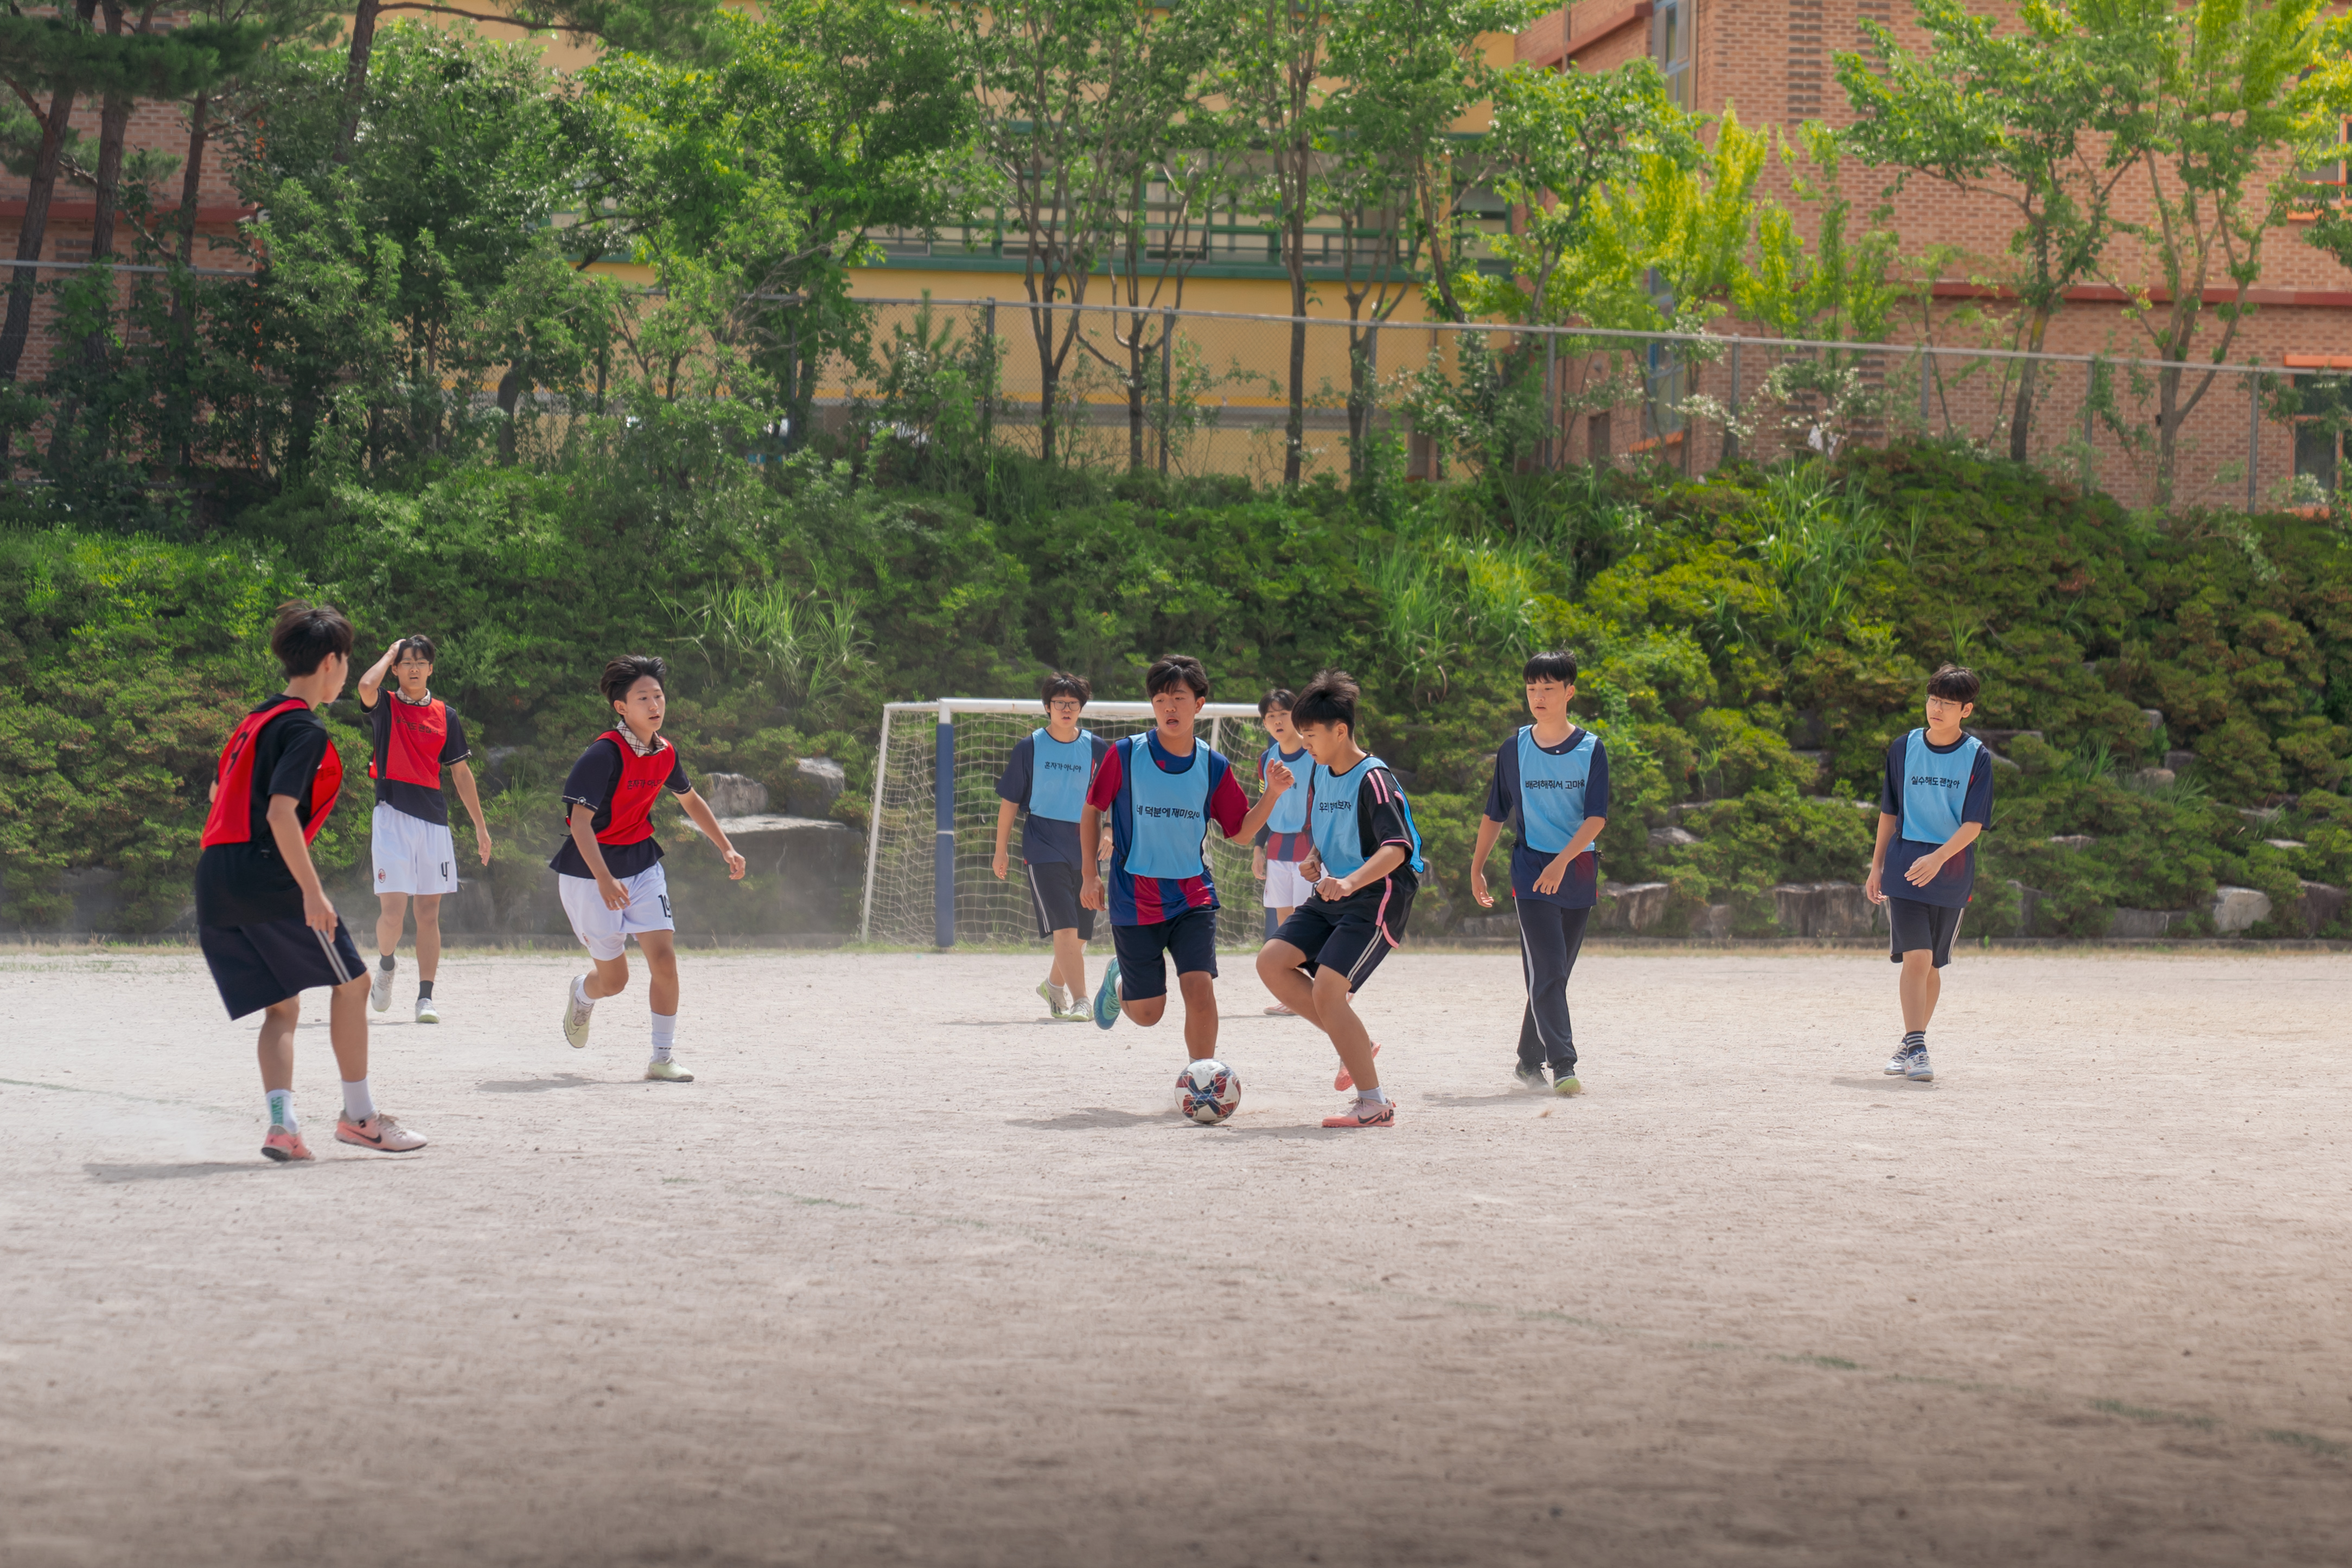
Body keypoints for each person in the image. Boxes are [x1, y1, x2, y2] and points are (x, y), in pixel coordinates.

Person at [195, 601, 426, 1162]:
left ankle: (283, 1126)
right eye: (347, 662)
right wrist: (312, 891)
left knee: (283, 1009)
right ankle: (360, 1116)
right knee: (353, 984)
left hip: (215, 876)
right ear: (331, 662)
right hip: (265, 876)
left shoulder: (255, 721)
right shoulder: (303, 727)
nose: (346, 674)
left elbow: (216, 795)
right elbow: (279, 815)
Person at [1079, 655, 1291, 1089]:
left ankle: (1204, 1082)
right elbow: (1092, 809)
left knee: (1198, 988)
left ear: (1199, 704)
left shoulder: (1213, 766)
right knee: (1146, 1014)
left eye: (1179, 698)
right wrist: (1089, 874)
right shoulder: (1125, 755)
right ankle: (1118, 978)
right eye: (1160, 700)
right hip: (1132, 898)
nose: (1169, 708)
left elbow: (1238, 831)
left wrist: (1271, 795)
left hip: (1193, 896)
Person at [552, 654, 747, 1082]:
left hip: (641, 863)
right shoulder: (603, 755)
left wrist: (727, 848)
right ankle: (583, 994)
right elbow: (579, 824)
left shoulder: (665, 752)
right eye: (643, 698)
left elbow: (691, 800)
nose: (655, 704)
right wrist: (603, 878)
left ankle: (661, 1057)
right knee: (615, 980)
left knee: (665, 960)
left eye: (658, 696)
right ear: (621, 707)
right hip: (590, 872)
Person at [1254, 670, 1426, 1129]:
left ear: (1340, 731)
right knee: (1271, 962)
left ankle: (1375, 1104)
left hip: (1378, 893)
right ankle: (1353, 1042)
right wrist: (1314, 858)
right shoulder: (1321, 774)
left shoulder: (1374, 778)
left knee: (1330, 990)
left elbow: (1396, 847)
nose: (1304, 742)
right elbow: (1334, 832)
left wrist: (1349, 882)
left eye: (1310, 735)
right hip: (1336, 890)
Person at [1469, 651, 1609, 1097]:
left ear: (1569, 691)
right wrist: (1476, 868)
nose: (1538, 697)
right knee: (1546, 970)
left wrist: (1562, 861)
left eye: (1548, 688)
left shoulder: (1591, 748)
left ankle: (1528, 1061)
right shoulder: (1513, 748)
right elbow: (1495, 813)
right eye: (1532, 689)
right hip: (1530, 871)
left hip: (1577, 869)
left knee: (1553, 976)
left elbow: (1595, 819)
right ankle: (1563, 1066)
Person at [354, 634, 493, 1025]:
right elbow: (366, 686)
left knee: (428, 912)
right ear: (396, 669)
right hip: (392, 816)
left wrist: (480, 828)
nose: (413, 668)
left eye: (420, 662)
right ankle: (385, 966)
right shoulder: (385, 706)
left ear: (431, 669)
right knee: (393, 913)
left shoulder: (445, 715)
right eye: (406, 662)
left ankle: (425, 998)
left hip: (433, 820)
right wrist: (388, 652)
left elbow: (462, 775)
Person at [1865, 664, 1993, 1083]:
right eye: (1932, 700)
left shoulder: (1977, 757)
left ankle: (1909, 1042)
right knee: (1915, 957)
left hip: (1950, 871)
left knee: (1933, 964)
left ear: (1966, 710)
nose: (1936, 709)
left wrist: (1938, 859)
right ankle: (1918, 1047)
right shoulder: (1903, 748)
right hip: (1904, 866)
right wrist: (1877, 866)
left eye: (1947, 704)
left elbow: (1972, 826)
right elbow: (1889, 812)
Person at [992, 672, 1114, 1021]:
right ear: (1048, 707)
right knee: (1064, 927)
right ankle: (1082, 1001)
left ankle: (1052, 985)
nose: (1065, 708)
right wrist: (1001, 851)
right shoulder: (1028, 747)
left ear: (1081, 709)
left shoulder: (1096, 748)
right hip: (1042, 842)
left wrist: (1109, 830)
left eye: (1072, 703)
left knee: (1081, 934)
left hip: (1086, 843)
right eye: (1059, 702)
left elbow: (1115, 797)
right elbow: (1010, 804)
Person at [1251, 686, 1312, 1013]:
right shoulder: (1266, 759)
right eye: (1270, 716)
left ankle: (1335, 986)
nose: (1276, 720)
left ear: (1296, 715)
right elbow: (1263, 805)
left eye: (1282, 713)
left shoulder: (1315, 753)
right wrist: (1258, 848)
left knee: (1310, 919)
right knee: (1285, 922)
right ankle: (1294, 994)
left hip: (1310, 848)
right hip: (1277, 848)